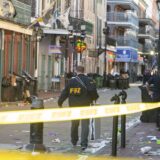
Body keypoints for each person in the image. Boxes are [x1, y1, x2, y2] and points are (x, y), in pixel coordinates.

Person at [58, 66, 99, 151]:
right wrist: (94, 99)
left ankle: (74, 141)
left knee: (74, 124)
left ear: (76, 71)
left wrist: (60, 102)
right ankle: (84, 143)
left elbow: (65, 93)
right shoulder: (89, 80)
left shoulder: (71, 81)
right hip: (85, 105)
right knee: (85, 125)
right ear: (84, 71)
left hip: (74, 106)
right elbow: (93, 92)